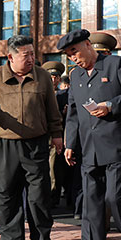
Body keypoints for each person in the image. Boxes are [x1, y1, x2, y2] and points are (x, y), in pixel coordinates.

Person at [59, 29, 121, 240]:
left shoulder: (115, 64)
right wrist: (70, 143)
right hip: (89, 150)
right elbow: (74, 114)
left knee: (115, 199)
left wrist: (111, 105)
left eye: (75, 51)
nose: (73, 58)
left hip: (118, 147)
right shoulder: (75, 76)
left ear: (88, 44)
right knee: (91, 205)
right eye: (68, 55)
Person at [0, 35, 63, 240]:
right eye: (27, 55)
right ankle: (9, 235)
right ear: (10, 57)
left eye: (33, 54)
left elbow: (52, 109)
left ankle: (42, 236)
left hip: (36, 144)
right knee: (5, 191)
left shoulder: (42, 76)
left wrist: (57, 134)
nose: (32, 58)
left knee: (39, 193)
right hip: (5, 143)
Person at [42, 60, 70, 208]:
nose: (53, 79)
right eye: (50, 76)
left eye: (56, 76)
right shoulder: (40, 92)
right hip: (41, 134)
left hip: (56, 135)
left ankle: (54, 196)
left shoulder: (64, 95)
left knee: (54, 168)